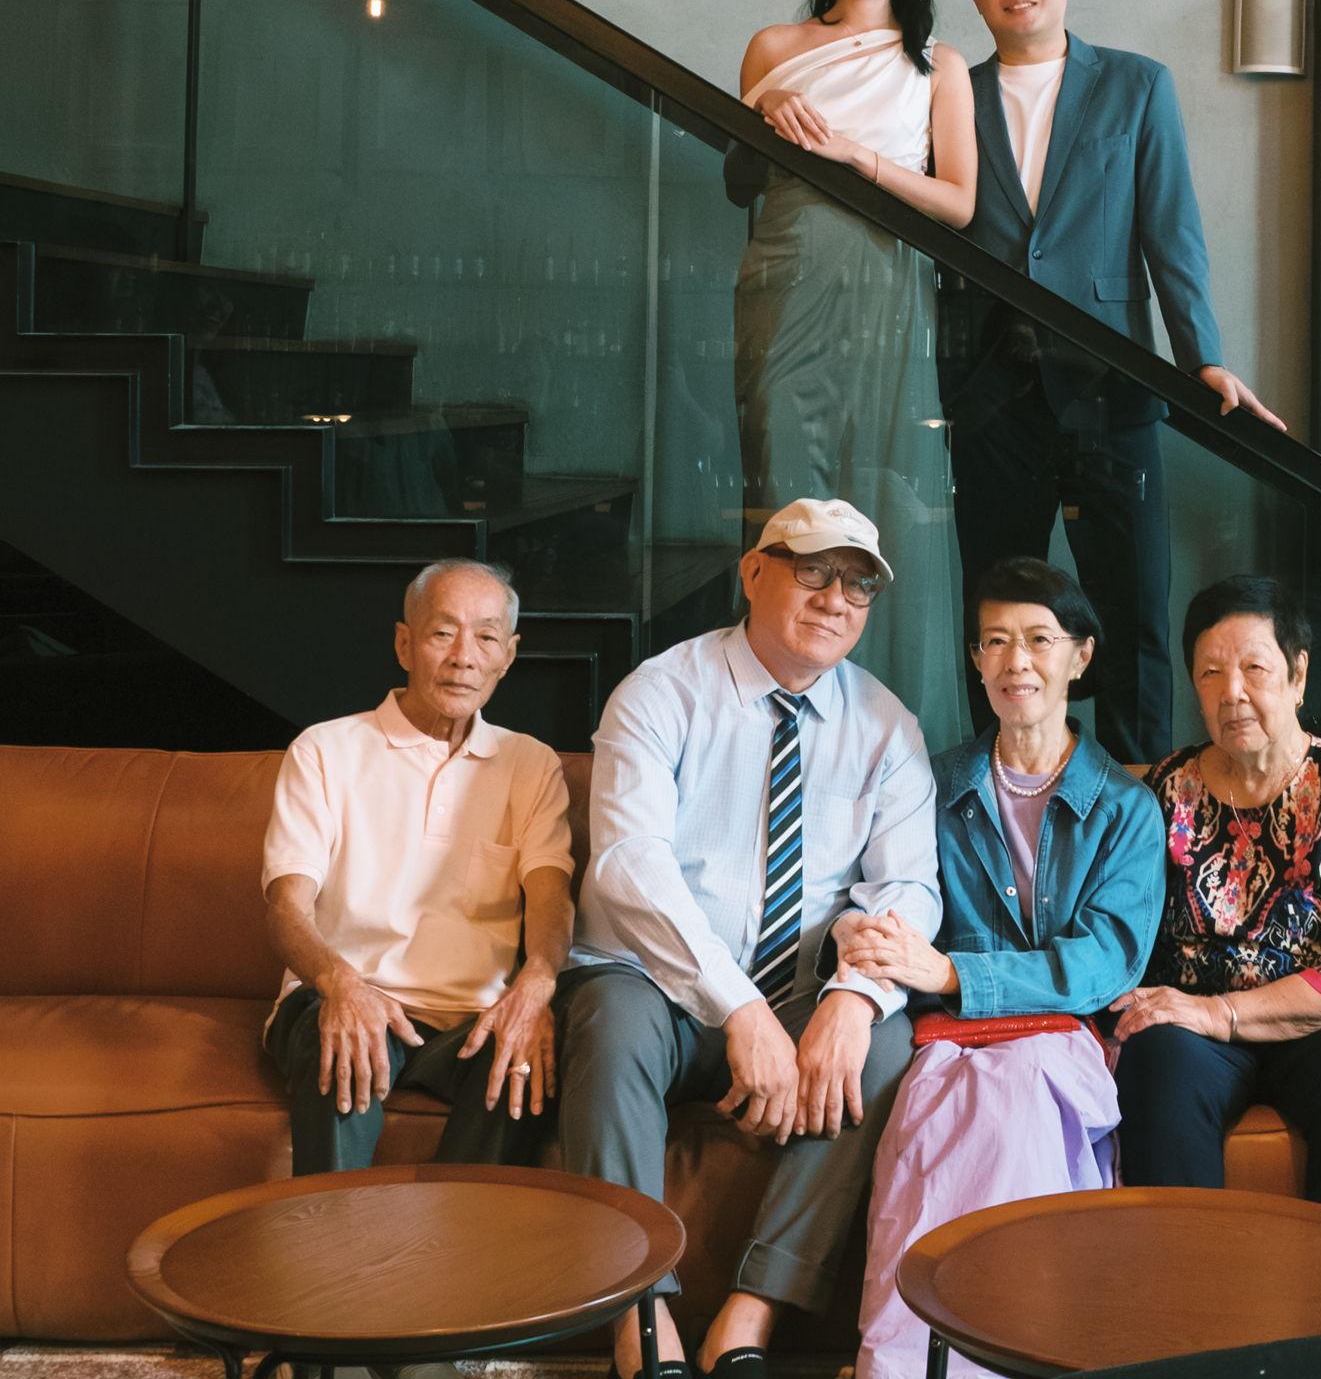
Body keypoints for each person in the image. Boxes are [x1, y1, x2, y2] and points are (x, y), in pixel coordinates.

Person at [556, 498, 940, 1379]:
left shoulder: (887, 726)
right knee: (609, 1023)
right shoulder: (661, 691)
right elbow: (628, 865)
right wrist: (738, 1009)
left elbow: (909, 888)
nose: (835, 599)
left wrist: (852, 1000)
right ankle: (640, 1320)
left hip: (798, 993)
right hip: (657, 989)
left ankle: (751, 1314)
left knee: (885, 1044)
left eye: (858, 585)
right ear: (754, 573)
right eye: (814, 572)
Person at [941, 0, 1281, 765]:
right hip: (990, 391)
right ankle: (998, 791)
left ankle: (1145, 794)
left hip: (1111, 384)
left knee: (1131, 610)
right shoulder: (952, 94)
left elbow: (1173, 232)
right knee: (995, 612)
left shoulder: (1136, 85)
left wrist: (1202, 358)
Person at [839, 558, 1166, 1379]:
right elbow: (884, 889)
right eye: (994, 642)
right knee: (928, 1123)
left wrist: (954, 975)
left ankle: (1017, 1351)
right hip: (949, 1042)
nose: (1016, 662)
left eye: (1038, 640)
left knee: (1016, 1101)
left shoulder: (1126, 807)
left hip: (1061, 1037)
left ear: (1080, 657)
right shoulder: (933, 785)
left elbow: (1106, 959)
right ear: (976, 660)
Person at [729, 0, 975, 745]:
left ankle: (879, 724)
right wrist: (767, 110)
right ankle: (775, 714)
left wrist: (855, 157)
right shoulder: (774, 46)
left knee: (879, 483)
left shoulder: (937, 63)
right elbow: (737, 181)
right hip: (786, 267)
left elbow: (959, 203)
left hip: (883, 277)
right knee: (781, 473)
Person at [1112, 575, 1321, 1217]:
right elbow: (1127, 930)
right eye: (1210, 673)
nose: (1232, 692)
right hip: (1194, 1037)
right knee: (1154, 1054)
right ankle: (1187, 1278)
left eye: (1254, 668)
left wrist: (1222, 1012)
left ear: (1298, 675)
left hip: (1319, 1030)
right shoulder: (1165, 791)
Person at [259, 560, 572, 1175]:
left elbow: (550, 896)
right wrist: (340, 984)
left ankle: (454, 1235)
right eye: (442, 633)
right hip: (344, 992)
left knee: (521, 1065)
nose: (464, 657)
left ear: (508, 656)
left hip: (469, 1018)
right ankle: (330, 1237)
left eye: (486, 637)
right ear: (404, 644)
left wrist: (538, 981)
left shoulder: (531, 764)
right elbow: (286, 906)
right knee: (340, 1043)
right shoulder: (325, 750)